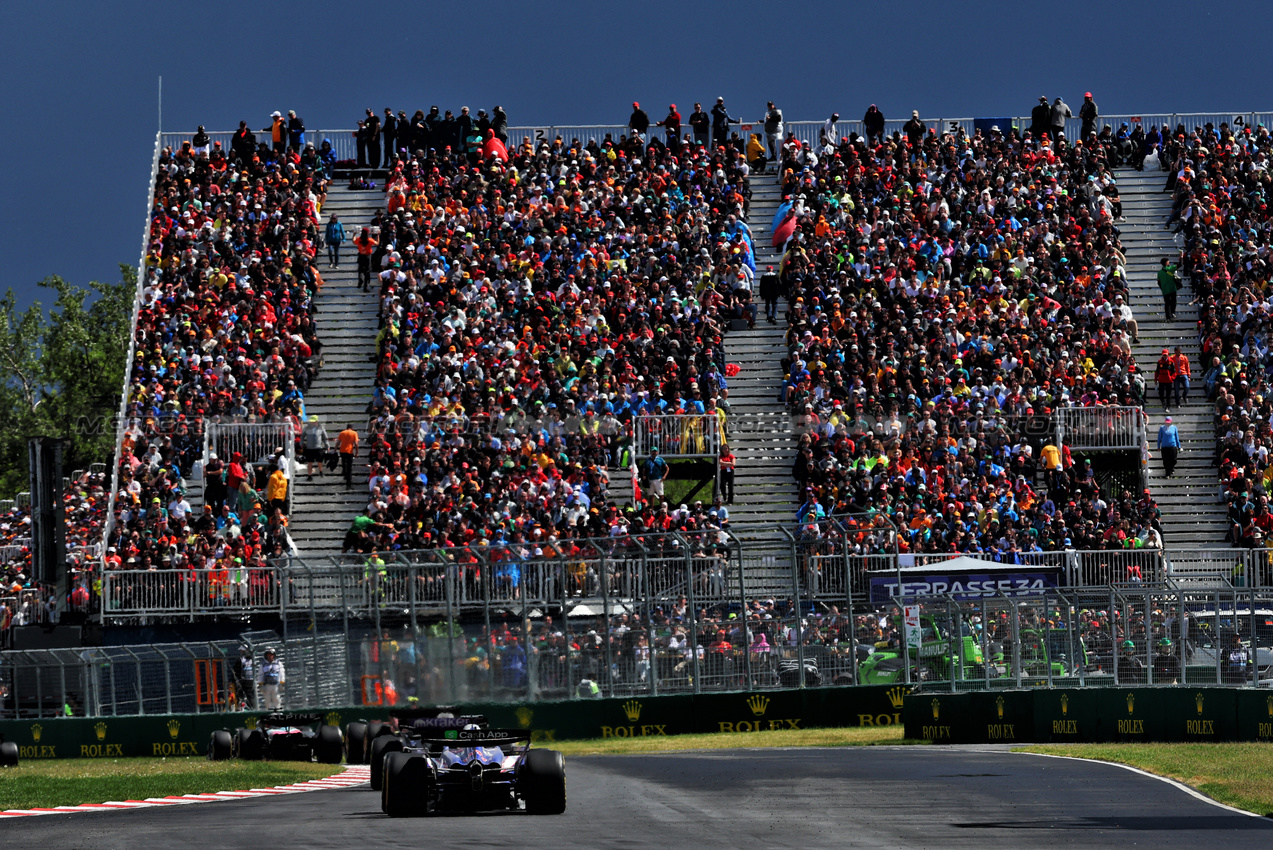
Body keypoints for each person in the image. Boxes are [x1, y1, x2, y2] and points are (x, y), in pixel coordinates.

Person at [302, 415, 329, 479]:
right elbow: (302, 436)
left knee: (319, 461)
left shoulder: (321, 428)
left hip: (318, 447)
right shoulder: (307, 428)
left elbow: (325, 438)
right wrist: (301, 443)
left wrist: (327, 445)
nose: (312, 423)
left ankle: (321, 471)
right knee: (310, 462)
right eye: (311, 421)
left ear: (317, 421)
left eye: (314, 421)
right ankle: (309, 475)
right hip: (310, 448)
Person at [354, 227, 377, 292]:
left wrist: (354, 234)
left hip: (361, 255)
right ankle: (366, 287)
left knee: (360, 269)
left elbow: (354, 241)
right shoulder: (370, 240)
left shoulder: (359, 239)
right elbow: (377, 243)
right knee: (367, 271)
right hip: (367, 256)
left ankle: (361, 279)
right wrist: (378, 235)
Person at [337, 424, 359, 489]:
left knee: (344, 463)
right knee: (349, 468)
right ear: (352, 428)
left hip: (342, 451)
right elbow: (356, 444)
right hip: (349, 451)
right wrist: (356, 452)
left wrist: (335, 449)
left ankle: (344, 473)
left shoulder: (342, 433)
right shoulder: (354, 433)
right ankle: (348, 484)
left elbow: (338, 442)